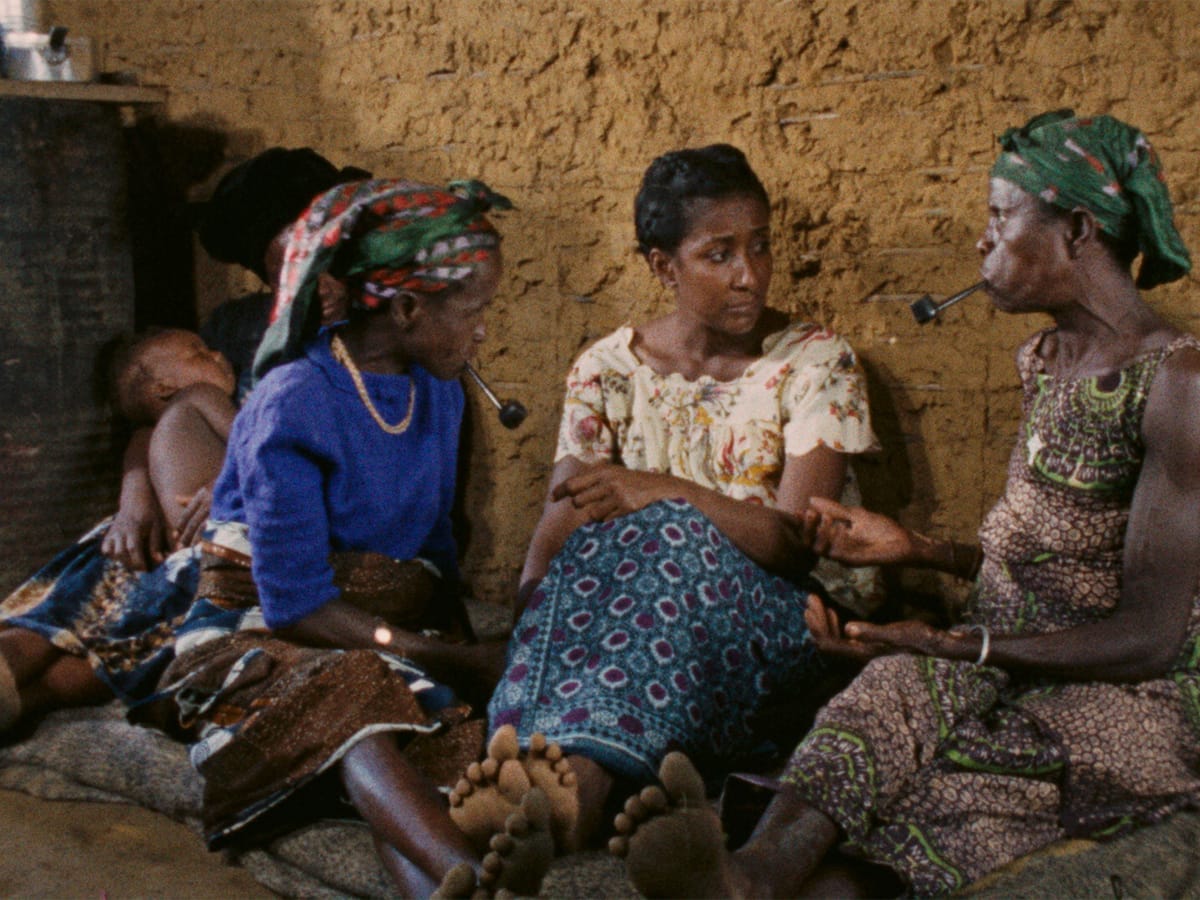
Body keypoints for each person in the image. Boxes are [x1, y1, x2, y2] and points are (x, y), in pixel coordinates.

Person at [610, 110, 1200, 898]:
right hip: (1005, 653)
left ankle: (771, 881)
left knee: (964, 783)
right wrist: (916, 549)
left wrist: (959, 646)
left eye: (999, 218)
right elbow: (1053, 554)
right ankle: (748, 875)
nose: (981, 244)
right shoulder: (1048, 360)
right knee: (882, 698)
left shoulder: (1177, 386)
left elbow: (1150, 638)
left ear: (1079, 229)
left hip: (1123, 691)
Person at [449, 145, 880, 858]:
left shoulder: (813, 361)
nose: (750, 274)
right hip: (640, 619)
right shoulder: (607, 368)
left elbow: (791, 544)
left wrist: (659, 490)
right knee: (595, 561)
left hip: (777, 622)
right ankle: (553, 775)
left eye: (761, 247)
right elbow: (562, 523)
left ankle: (568, 794)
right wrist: (536, 621)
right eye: (720, 254)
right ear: (661, 265)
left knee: (666, 538)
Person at [140, 178, 553, 897]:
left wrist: (462, 655)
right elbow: (295, 602)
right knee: (362, 690)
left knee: (436, 730)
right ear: (405, 307)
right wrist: (442, 654)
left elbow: (435, 554)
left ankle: (440, 888)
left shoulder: (441, 392)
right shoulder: (294, 402)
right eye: (477, 311)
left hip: (378, 628)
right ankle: (471, 875)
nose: (484, 331)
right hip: (262, 632)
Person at [101, 148, 367, 575]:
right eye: (291, 270)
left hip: (297, 519)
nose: (320, 284)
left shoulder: (377, 333)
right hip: (213, 515)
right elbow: (156, 415)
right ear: (265, 272)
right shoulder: (236, 329)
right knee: (108, 553)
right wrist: (133, 500)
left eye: (327, 256)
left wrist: (237, 478)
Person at [0, 328, 237, 732]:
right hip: (152, 566)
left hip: (167, 572)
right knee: (64, 636)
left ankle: (21, 700)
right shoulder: (201, 397)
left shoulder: (179, 415)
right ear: (163, 387)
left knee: (86, 648)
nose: (216, 353)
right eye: (197, 352)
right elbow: (263, 451)